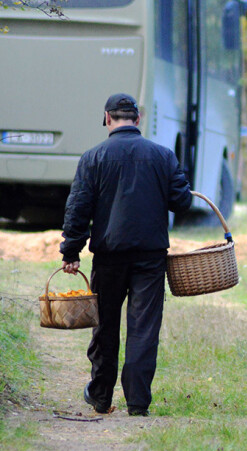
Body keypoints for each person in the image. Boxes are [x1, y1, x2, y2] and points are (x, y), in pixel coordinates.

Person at [60, 93, 192, 416]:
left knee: (104, 324)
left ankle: (101, 395)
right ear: (138, 119)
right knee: (144, 328)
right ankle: (138, 402)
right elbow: (183, 202)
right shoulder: (162, 156)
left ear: (107, 118)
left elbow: (78, 207)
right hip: (150, 258)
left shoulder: (93, 157)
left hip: (108, 255)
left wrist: (71, 250)